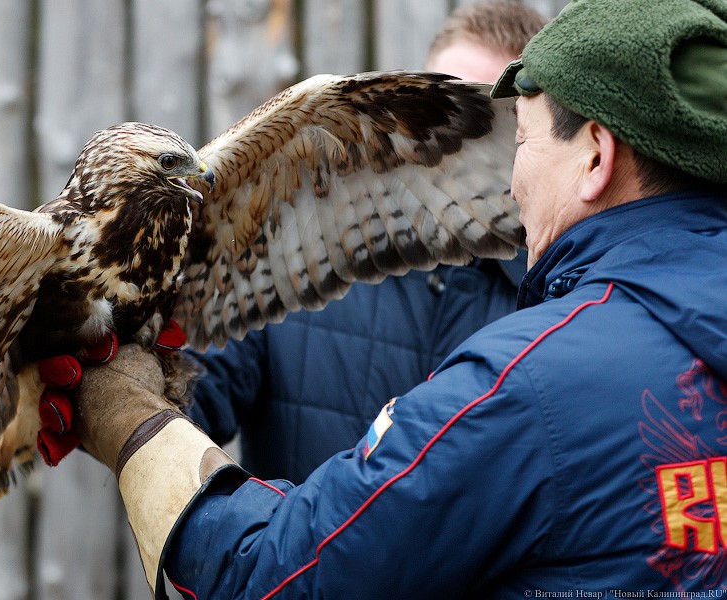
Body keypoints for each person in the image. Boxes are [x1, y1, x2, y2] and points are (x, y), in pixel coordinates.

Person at [70, 0, 727, 596]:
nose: (500, 173)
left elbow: (277, 575)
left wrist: (132, 424)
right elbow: (196, 382)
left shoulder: (534, 376)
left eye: (514, 137)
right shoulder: (313, 270)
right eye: (437, 117)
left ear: (595, 156)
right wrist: (131, 380)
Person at [185, 0, 546, 484]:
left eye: (488, 125)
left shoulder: (550, 303)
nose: (450, 149)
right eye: (442, 117)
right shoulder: (304, 239)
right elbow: (191, 396)